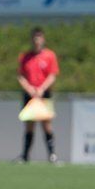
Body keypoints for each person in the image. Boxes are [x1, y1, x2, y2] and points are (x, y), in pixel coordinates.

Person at [17, 27, 59, 163]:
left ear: (43, 39)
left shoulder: (49, 55)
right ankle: (25, 156)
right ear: (31, 39)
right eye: (35, 38)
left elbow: (52, 75)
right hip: (30, 94)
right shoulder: (25, 57)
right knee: (29, 124)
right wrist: (29, 89)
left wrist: (41, 89)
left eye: (39, 37)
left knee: (47, 124)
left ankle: (52, 155)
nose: (37, 40)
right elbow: (20, 76)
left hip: (44, 94)